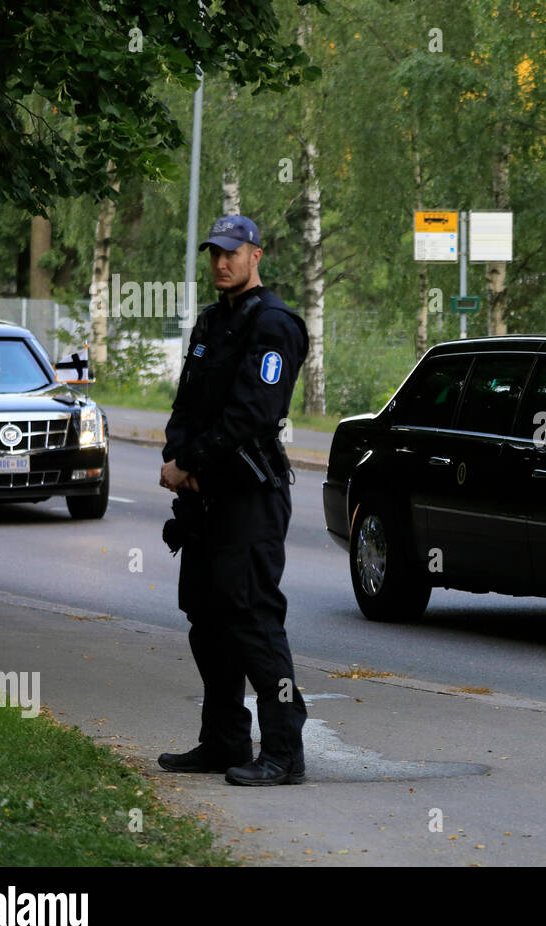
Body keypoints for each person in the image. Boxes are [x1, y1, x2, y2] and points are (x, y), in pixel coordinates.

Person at [156, 214, 310, 786]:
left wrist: (191, 464)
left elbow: (253, 414)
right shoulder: (211, 321)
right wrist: (178, 458)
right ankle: (223, 741)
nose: (221, 262)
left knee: (252, 621)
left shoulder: (273, 324)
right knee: (207, 620)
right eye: (214, 253)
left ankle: (284, 751)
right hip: (204, 501)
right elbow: (186, 406)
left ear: (256, 255)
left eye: (232, 252)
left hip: (248, 496)